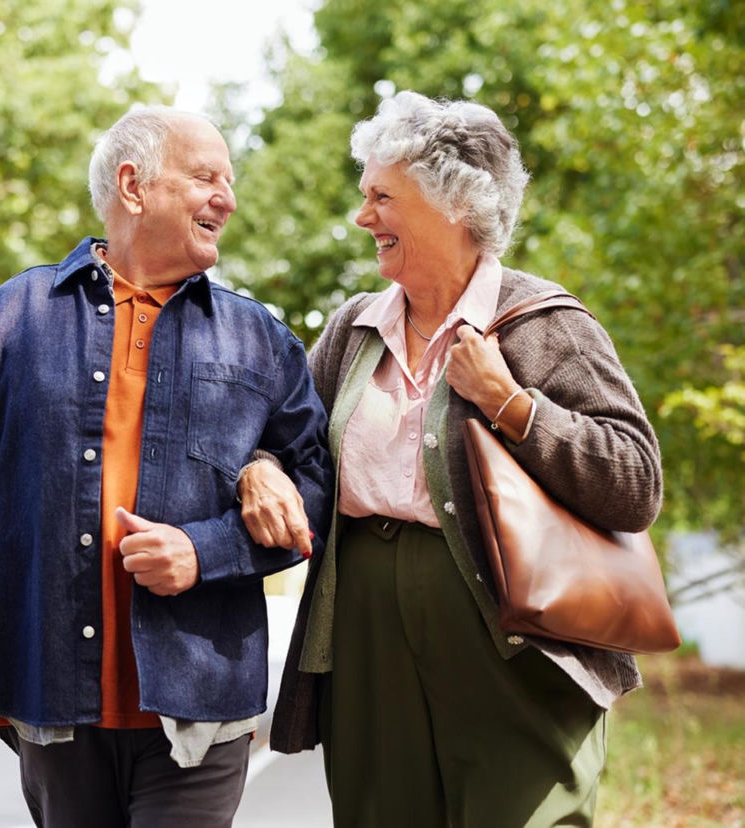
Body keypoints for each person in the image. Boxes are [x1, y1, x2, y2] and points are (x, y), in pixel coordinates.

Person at [0, 106, 334, 828]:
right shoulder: (13, 318)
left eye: (230, 180)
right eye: (205, 177)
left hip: (202, 704)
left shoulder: (259, 338)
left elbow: (319, 490)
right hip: (49, 696)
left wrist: (205, 550)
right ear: (133, 185)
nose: (229, 198)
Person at [237, 91, 662, 827]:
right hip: (367, 627)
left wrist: (511, 403)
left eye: (381, 197)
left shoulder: (545, 324)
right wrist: (261, 467)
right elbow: (284, 439)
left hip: (506, 634)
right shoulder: (353, 330)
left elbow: (636, 483)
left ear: (455, 202)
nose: (362, 217)